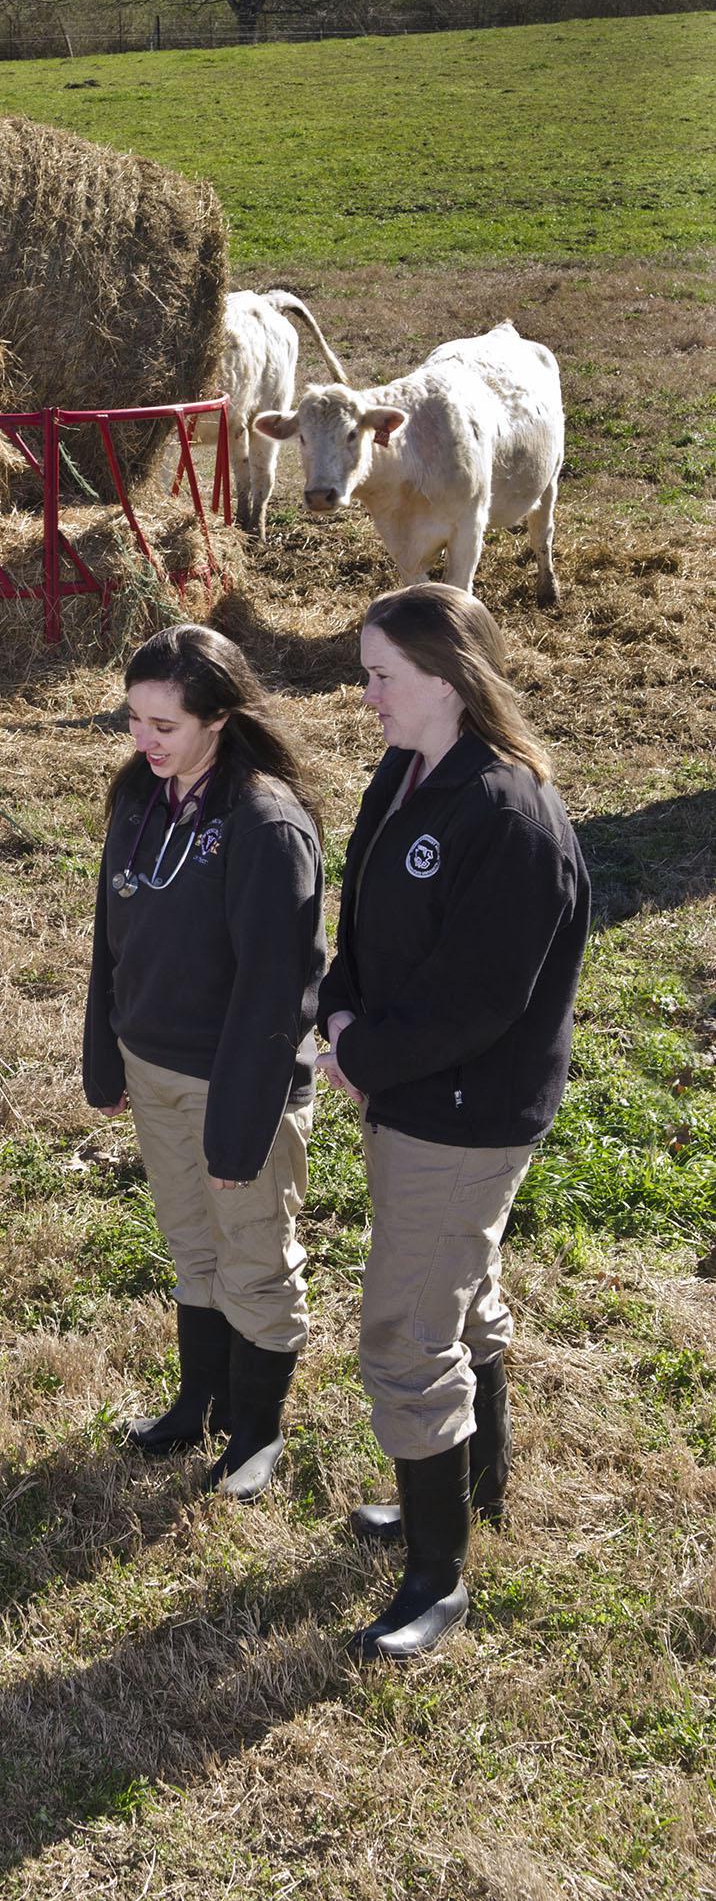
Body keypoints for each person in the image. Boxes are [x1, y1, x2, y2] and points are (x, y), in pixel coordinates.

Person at [317, 583, 589, 1662]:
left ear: (444, 676)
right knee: (459, 1291)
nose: (367, 693)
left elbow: (482, 999)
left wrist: (360, 1054)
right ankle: (473, 1489)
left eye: (381, 673)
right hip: (412, 1092)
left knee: (405, 1330)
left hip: (464, 1113)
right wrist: (340, 1001)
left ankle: (437, 1578)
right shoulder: (410, 769)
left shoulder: (510, 817)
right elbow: (369, 907)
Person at [83, 624, 326, 1501]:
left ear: (220, 719)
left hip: (237, 1082)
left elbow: (277, 995)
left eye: (164, 726)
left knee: (254, 1256)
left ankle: (257, 1431)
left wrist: (238, 1127)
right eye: (134, 720)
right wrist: (104, 1056)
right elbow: (113, 938)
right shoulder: (139, 798)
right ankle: (201, 1404)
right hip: (153, 1068)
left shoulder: (266, 825)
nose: (143, 741)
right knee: (192, 1244)